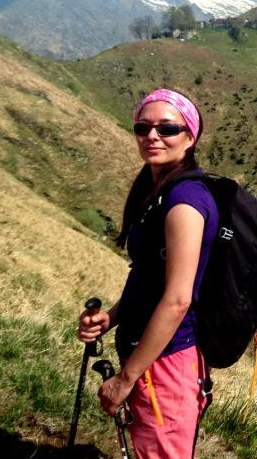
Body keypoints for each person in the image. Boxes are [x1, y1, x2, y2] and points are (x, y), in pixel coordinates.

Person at [78, 88, 218, 458]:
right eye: (143, 127)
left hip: (166, 361)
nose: (153, 136)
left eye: (168, 129)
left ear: (190, 137)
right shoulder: (158, 191)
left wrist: (126, 379)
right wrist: (112, 317)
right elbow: (149, 279)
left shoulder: (185, 201)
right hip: (151, 354)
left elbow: (177, 299)